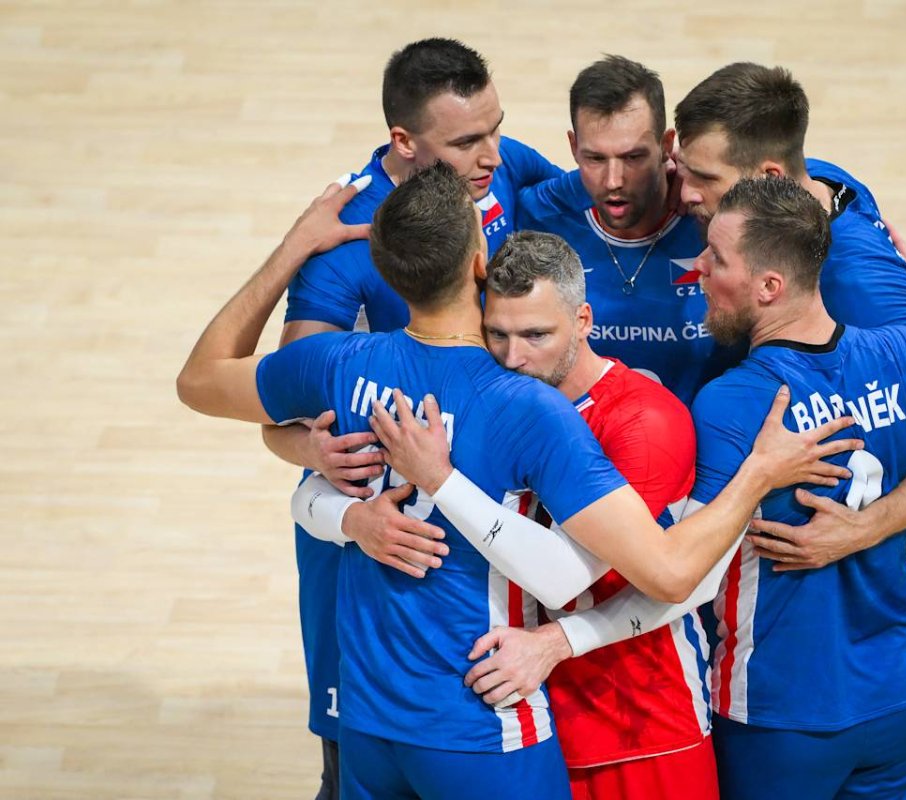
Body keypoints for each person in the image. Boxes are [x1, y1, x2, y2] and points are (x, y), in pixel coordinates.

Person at [176, 163, 852, 798]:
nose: (518, 353)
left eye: (534, 335)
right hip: (480, 722)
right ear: (480, 262)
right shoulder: (525, 406)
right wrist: (760, 471)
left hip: (372, 718)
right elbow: (663, 574)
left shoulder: (337, 362)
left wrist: (294, 252)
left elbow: (199, 381)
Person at [259, 37, 564, 797]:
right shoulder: (346, 241)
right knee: (359, 758)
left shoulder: (503, 167)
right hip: (379, 535)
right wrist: (313, 456)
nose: (492, 155)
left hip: (486, 511)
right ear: (405, 141)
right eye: (466, 142)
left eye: (496, 128)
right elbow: (287, 407)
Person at [672, 62, 906, 798]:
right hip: (886, 679)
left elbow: (678, 573)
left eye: (704, 180)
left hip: (794, 690)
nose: (696, 264)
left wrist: (860, 526)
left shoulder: (751, 391)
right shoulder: (823, 201)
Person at [689, 176, 906, 799]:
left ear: (770, 286)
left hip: (778, 711)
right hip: (896, 697)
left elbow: (684, 573)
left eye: (716, 258)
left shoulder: (733, 404)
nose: (698, 269)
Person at [517, 55, 741, 404]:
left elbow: (792, 176)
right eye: (595, 158)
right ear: (573, 147)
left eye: (633, 157)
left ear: (666, 146)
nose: (613, 181)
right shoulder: (539, 217)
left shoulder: (719, 216)